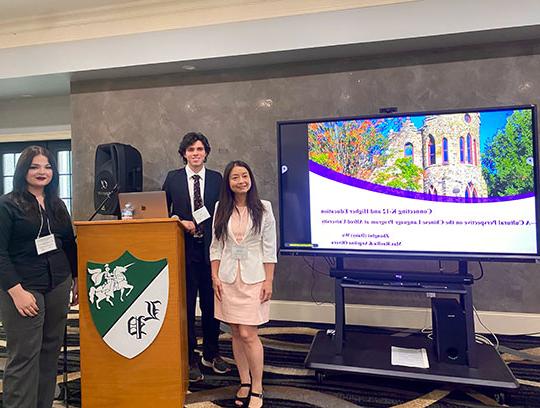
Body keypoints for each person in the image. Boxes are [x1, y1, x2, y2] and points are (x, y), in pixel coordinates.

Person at [0, 145, 78, 408]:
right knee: (24, 357)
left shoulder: (57, 204)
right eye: (34, 167)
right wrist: (15, 291)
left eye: (47, 166)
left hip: (57, 283)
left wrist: (76, 277)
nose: (42, 172)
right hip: (23, 287)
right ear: (23, 171)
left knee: (49, 354)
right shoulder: (7, 204)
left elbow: (69, 243)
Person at [162, 132, 231, 382]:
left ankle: (212, 353)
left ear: (206, 153)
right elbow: (163, 212)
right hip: (184, 251)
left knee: (213, 306)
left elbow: (225, 212)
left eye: (200, 149)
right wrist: (178, 221)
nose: (195, 153)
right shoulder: (173, 179)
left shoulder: (216, 179)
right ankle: (190, 357)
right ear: (184, 154)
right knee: (187, 307)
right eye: (191, 150)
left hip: (212, 252)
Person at [210, 160, 277, 408]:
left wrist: (269, 280)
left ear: (251, 179)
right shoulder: (221, 208)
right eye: (235, 177)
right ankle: (244, 381)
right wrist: (214, 276)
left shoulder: (264, 208)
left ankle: (257, 387)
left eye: (245, 176)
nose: (241, 181)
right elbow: (216, 246)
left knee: (249, 333)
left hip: (253, 278)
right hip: (227, 279)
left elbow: (269, 248)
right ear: (228, 182)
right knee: (236, 333)